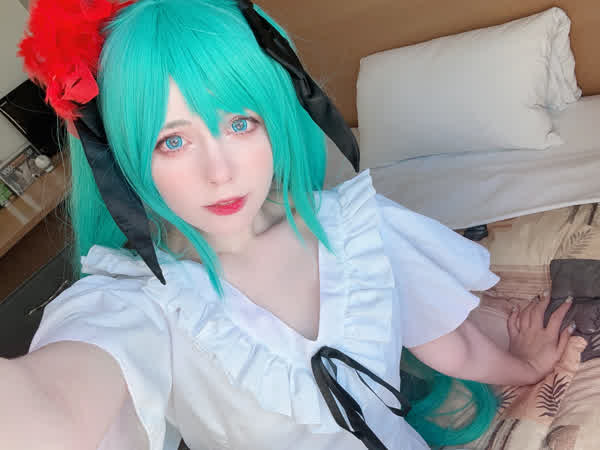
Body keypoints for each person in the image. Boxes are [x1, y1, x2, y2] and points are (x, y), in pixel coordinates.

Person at [1, 0, 574, 449]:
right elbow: (55, 403)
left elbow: (451, 346)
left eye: (240, 124)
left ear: (274, 117)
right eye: (173, 141)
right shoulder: (139, 300)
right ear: (125, 159)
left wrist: (526, 366)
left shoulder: (357, 228)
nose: (220, 172)